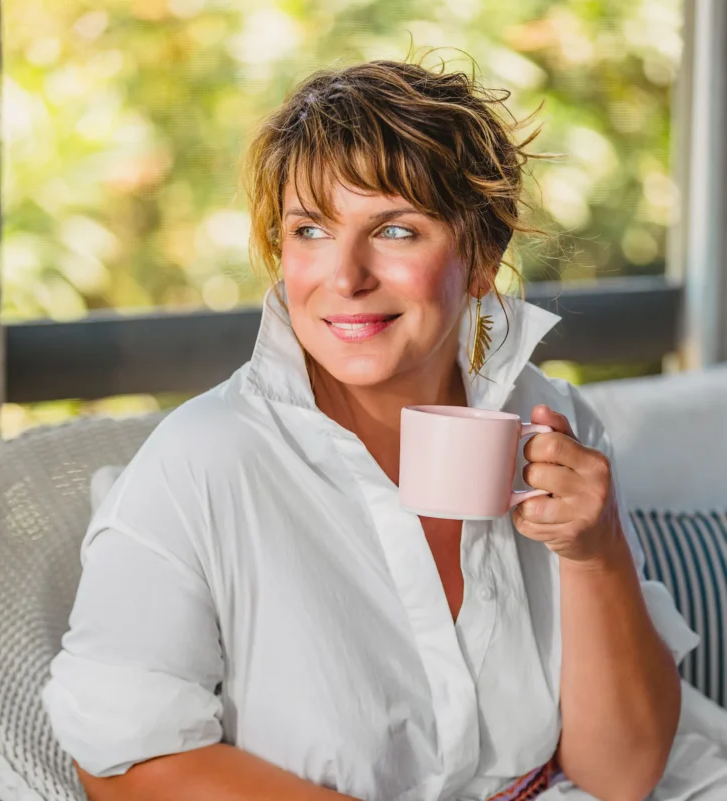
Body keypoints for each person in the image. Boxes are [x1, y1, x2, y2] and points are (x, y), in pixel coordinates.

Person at [42, 56, 727, 801]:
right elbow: (121, 762)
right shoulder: (203, 461)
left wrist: (594, 553)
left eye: (395, 229)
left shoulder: (548, 421)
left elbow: (623, 775)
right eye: (309, 230)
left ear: (480, 258)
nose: (345, 275)